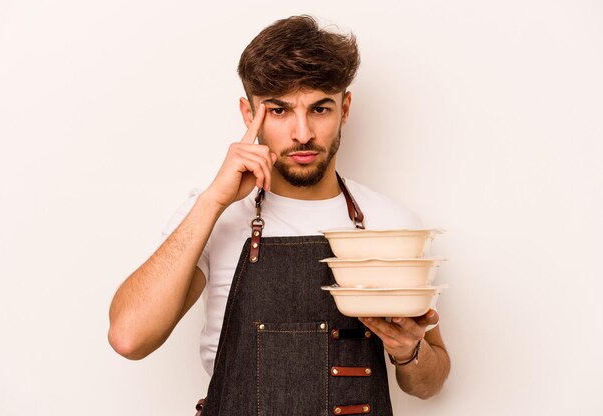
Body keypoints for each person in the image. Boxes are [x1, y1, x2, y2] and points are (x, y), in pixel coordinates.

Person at [108, 15, 450, 415]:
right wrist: (212, 202)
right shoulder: (212, 215)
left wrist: (410, 351)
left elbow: (430, 383)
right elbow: (129, 338)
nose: (302, 132)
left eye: (320, 108)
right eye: (280, 110)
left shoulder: (392, 224)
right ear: (248, 114)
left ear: (346, 108)